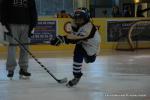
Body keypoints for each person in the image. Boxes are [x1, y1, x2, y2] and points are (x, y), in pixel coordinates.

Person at [50, 7, 100, 87]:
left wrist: (62, 39)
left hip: (92, 47)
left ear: (86, 18)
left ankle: (91, 57)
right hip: (82, 43)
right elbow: (73, 36)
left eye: (80, 19)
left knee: (90, 59)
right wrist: (59, 39)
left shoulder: (89, 27)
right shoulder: (75, 23)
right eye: (76, 18)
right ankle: (77, 76)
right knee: (78, 52)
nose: (78, 20)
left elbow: (76, 38)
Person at [1, 0, 38, 79]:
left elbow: (33, 11)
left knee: (25, 48)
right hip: (12, 24)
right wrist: (3, 24)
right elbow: (3, 9)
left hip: (27, 25)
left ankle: (23, 69)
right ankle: (10, 69)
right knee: (12, 48)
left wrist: (33, 26)